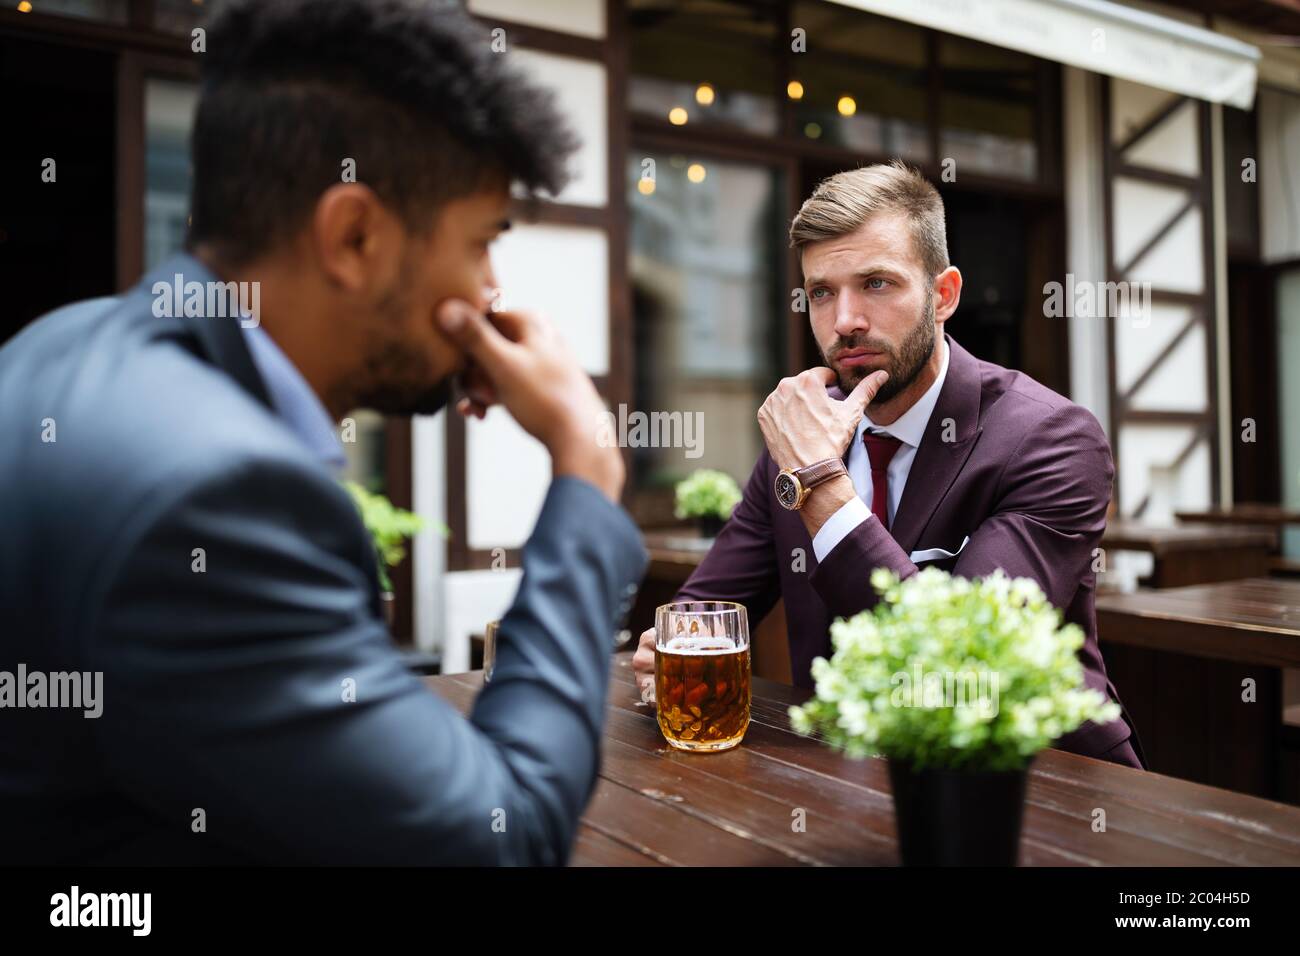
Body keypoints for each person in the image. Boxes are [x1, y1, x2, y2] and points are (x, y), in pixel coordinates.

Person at [0, 0, 645, 864]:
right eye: (483, 242)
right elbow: (503, 837)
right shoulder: (220, 498)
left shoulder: (58, 343)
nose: (493, 290)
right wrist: (585, 472)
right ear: (354, 235)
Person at [633, 162, 1143, 769]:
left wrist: (821, 482)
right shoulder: (799, 445)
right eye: (822, 292)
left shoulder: (1050, 438)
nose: (845, 320)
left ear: (944, 294)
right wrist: (664, 652)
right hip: (845, 781)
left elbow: (955, 672)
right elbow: (700, 615)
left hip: (1041, 783)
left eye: (876, 283)